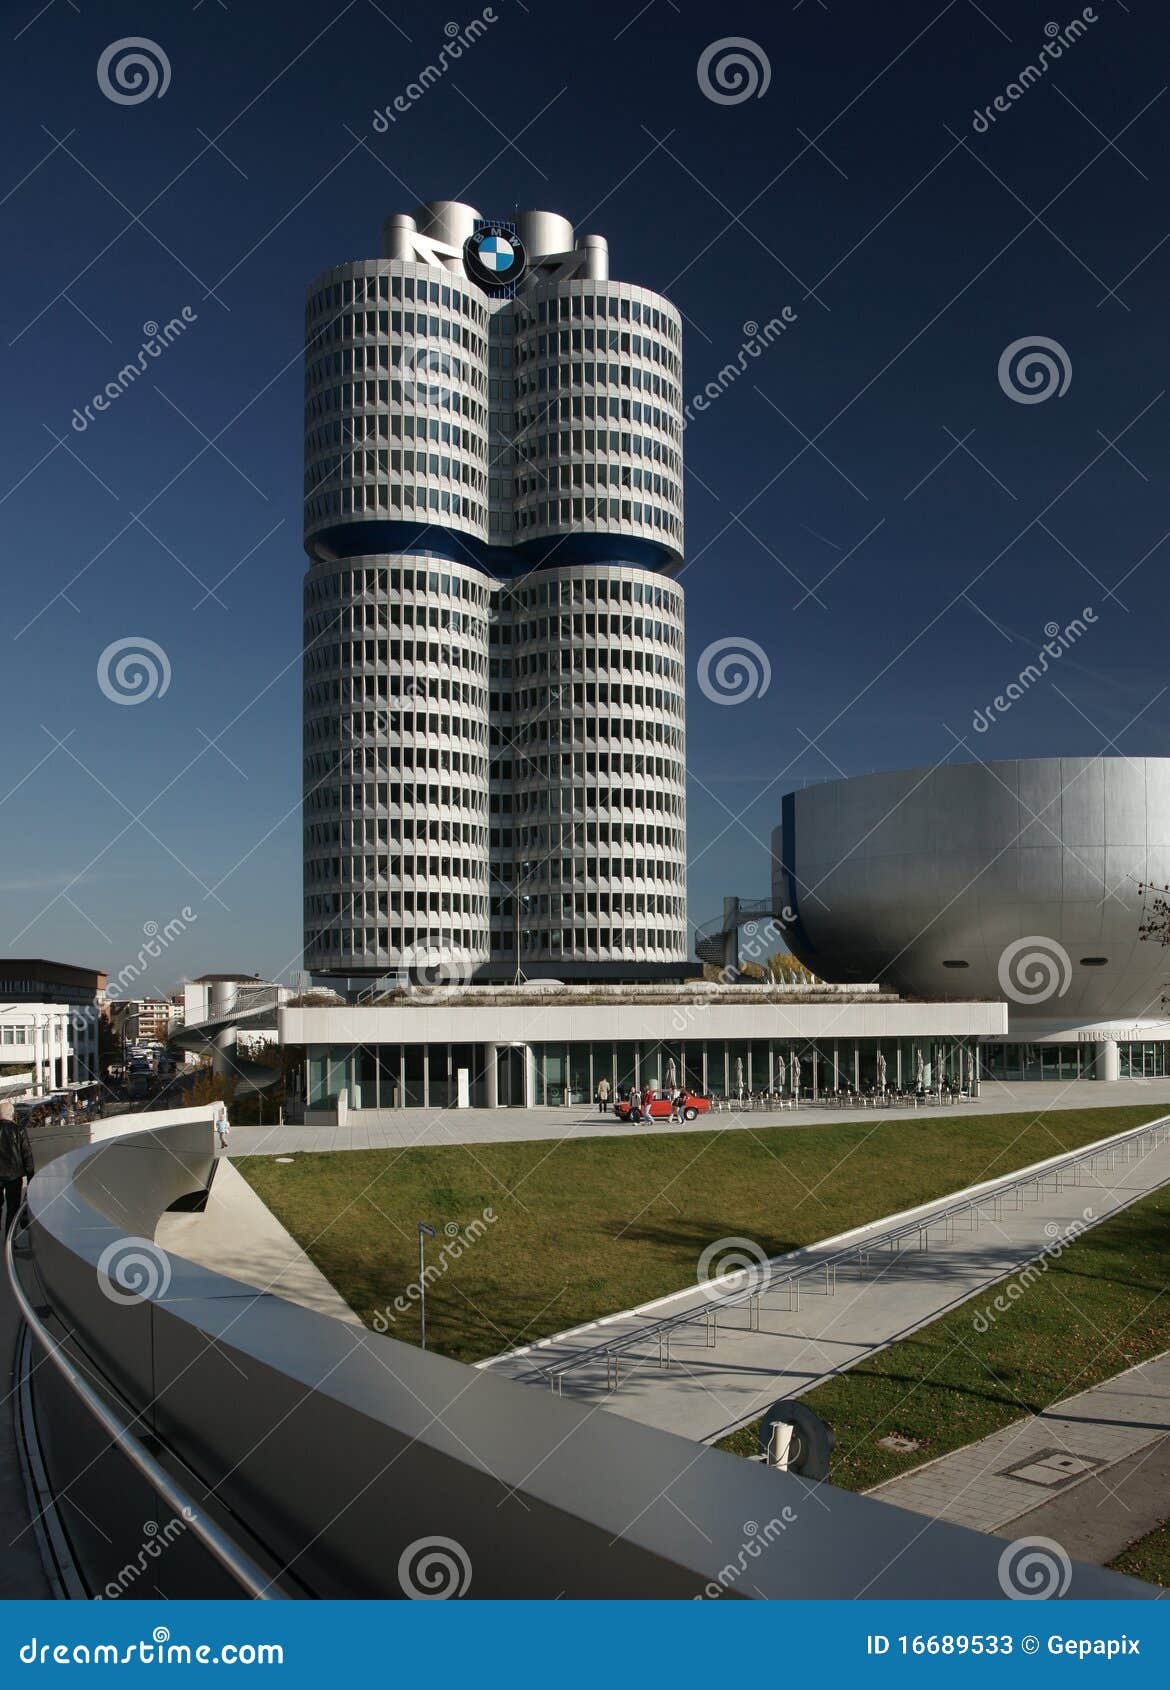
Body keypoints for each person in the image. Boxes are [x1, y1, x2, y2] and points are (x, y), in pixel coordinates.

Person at [0, 1104, 34, 1236]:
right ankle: (9, 1238)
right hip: (14, 1176)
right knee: (12, 1209)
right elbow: (27, 1153)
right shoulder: (18, 1130)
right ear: (12, 1114)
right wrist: (30, 1175)